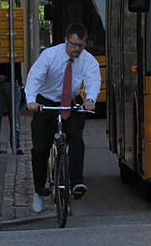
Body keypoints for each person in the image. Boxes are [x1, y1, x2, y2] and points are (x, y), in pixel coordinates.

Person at [25, 22, 100, 213]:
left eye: (80, 46)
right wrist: (31, 100)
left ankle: (76, 183)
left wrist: (90, 99)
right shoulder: (50, 56)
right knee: (40, 148)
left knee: (75, 139)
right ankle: (39, 190)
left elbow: (93, 78)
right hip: (47, 100)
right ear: (66, 40)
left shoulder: (87, 59)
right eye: (73, 44)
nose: (76, 49)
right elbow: (35, 77)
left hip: (71, 102)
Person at [0, 48, 24, 154]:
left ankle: (15, 145)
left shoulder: (16, 53)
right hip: (5, 86)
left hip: (12, 85)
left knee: (13, 119)